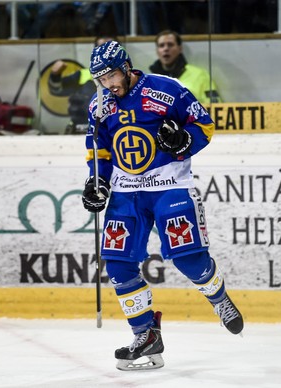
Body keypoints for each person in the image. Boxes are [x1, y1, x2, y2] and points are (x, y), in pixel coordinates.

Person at [81, 40, 243, 371]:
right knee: (117, 263)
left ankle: (218, 297)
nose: (109, 84)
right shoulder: (99, 105)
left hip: (169, 184)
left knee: (188, 258)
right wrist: (96, 181)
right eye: (101, 79)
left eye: (112, 75)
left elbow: (204, 125)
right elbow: (98, 148)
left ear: (125, 67)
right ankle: (145, 335)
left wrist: (183, 140)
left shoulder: (166, 89)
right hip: (126, 191)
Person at [48, 35, 115, 134]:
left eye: (111, 48)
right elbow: (56, 90)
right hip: (82, 133)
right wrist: (55, 75)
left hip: (115, 132)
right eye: (102, 48)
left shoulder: (130, 77)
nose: (106, 52)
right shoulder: (82, 75)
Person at [149, 30, 222, 104]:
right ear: (157, 51)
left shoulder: (200, 75)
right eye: (161, 45)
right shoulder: (149, 80)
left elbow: (215, 106)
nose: (166, 49)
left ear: (180, 49)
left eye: (170, 45)